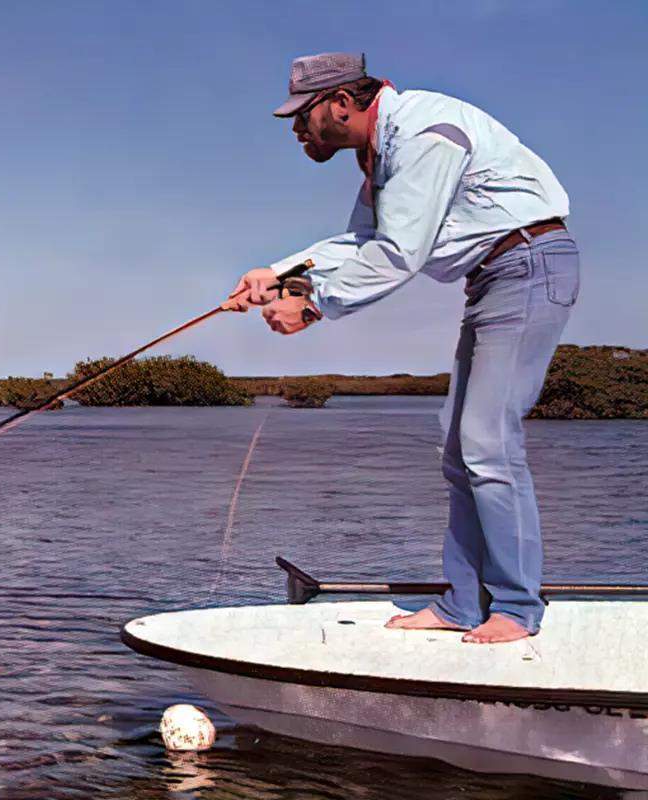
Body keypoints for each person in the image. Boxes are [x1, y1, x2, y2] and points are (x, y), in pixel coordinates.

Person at [223, 53, 579, 644]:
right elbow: (359, 240)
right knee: (459, 450)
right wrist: (277, 273)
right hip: (494, 278)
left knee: (489, 445)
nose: (295, 130)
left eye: (301, 116)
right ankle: (464, 603)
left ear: (341, 103)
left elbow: (398, 253)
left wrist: (312, 305)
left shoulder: (422, 133)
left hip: (528, 267)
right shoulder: (383, 152)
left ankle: (516, 609)